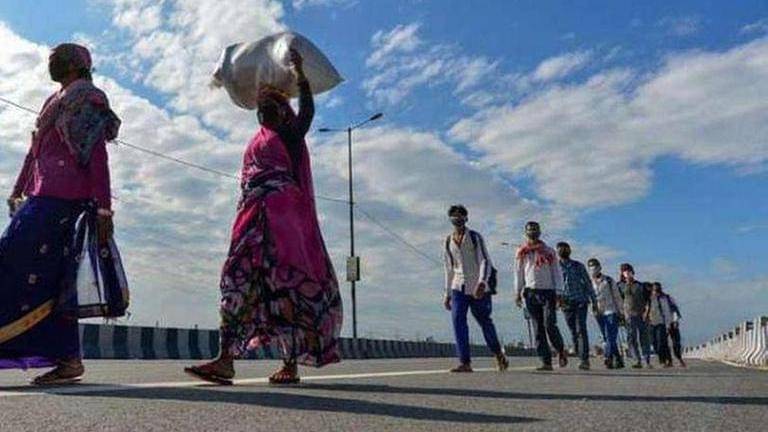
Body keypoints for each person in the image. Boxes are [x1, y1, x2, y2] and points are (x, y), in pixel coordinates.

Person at [185, 50, 342, 385]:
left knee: (287, 287)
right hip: (250, 220)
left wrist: (299, 73)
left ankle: (290, 364)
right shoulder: (256, 142)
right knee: (236, 281)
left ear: (284, 111)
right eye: (261, 106)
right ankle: (225, 360)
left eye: (272, 105)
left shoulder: (289, 134)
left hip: (285, 225)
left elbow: (308, 110)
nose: (265, 110)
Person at [1, 43, 120, 385]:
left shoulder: (87, 99)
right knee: (51, 280)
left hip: (63, 201)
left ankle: (66, 358)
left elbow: (96, 154)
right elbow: (35, 152)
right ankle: (68, 359)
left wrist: (103, 207)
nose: (51, 63)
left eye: (58, 59)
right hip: (41, 196)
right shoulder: (53, 101)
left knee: (14, 262)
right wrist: (18, 189)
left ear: (75, 65)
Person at [443, 205, 508, 373]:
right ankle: (465, 362)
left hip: (478, 287)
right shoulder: (448, 241)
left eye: (460, 215)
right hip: (458, 286)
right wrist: (447, 293)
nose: (457, 218)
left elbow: (485, 261)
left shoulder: (474, 237)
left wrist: (482, 282)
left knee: (484, 320)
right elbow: (449, 268)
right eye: (454, 216)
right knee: (458, 320)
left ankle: (498, 353)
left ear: (466, 218)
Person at [515, 221, 568, 371]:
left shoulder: (549, 251)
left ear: (539, 232)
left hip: (548, 292)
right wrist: (517, 292)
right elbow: (518, 273)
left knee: (549, 324)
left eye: (535, 229)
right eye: (529, 230)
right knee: (537, 328)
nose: (532, 232)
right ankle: (546, 361)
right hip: (531, 292)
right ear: (525, 233)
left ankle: (560, 350)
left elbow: (556, 272)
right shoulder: (522, 252)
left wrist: (559, 292)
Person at [557, 242, 597, 370]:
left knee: (581, 329)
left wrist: (594, 301)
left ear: (569, 251)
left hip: (580, 301)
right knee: (573, 330)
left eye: (565, 249)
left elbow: (588, 283)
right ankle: (578, 351)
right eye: (560, 249)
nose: (563, 251)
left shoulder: (578, 266)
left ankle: (584, 359)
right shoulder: (555, 267)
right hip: (566, 303)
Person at [587, 258, 625, 369]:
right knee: (606, 336)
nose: (593, 269)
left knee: (610, 335)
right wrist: (592, 310)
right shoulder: (588, 282)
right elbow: (589, 298)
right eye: (591, 267)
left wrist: (621, 312)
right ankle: (618, 359)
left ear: (599, 267)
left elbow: (617, 297)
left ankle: (608, 357)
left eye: (595, 267)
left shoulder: (608, 280)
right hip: (598, 312)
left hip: (611, 310)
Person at [618, 263, 652, 368]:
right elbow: (618, 300)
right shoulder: (619, 286)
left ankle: (647, 359)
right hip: (628, 315)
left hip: (641, 314)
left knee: (644, 338)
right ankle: (637, 360)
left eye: (629, 271)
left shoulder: (641, 285)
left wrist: (647, 313)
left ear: (633, 272)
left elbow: (648, 301)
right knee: (631, 338)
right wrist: (620, 315)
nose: (627, 273)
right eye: (625, 271)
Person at [647, 282, 675, 367]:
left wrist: (668, 324)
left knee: (661, 343)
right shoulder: (649, 299)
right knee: (654, 343)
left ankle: (664, 361)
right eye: (654, 290)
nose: (655, 292)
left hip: (661, 323)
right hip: (651, 323)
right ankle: (667, 359)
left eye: (657, 290)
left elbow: (667, 312)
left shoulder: (663, 299)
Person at [667, 294, 686, 367]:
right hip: (664, 324)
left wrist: (675, 321)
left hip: (672, 324)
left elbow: (675, 312)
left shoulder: (668, 299)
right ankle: (670, 360)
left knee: (676, 343)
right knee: (666, 343)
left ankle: (679, 359)